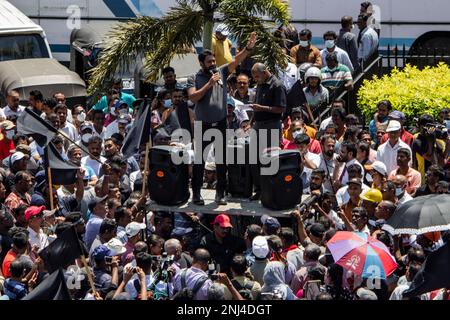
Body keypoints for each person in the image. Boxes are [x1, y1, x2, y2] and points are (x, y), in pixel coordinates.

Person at [187, 32, 257, 205]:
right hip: (203, 125)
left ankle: (220, 194)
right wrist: (209, 84)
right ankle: (196, 194)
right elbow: (193, 98)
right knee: (199, 162)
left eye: (213, 61)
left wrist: (248, 47)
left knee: (221, 160)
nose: (212, 64)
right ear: (201, 63)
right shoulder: (194, 78)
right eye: (209, 62)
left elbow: (236, 60)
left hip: (220, 124)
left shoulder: (222, 72)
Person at [248, 62, 286, 201]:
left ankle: (271, 190)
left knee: (270, 159)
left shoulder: (277, 85)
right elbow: (257, 107)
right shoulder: (260, 84)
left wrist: (262, 108)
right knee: (254, 159)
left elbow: (280, 108)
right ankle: (258, 189)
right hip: (258, 124)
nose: (256, 79)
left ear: (265, 72)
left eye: (257, 76)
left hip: (272, 125)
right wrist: (251, 122)